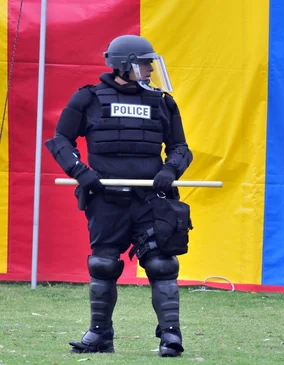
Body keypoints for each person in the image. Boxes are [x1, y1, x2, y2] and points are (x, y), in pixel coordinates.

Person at [45, 34, 193, 357]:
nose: (150, 70)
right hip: (106, 199)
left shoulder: (162, 102)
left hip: (150, 201)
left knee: (162, 265)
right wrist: (81, 173)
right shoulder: (88, 99)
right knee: (103, 265)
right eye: (144, 63)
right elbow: (60, 141)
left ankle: (171, 336)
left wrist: (170, 171)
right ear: (124, 66)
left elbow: (182, 149)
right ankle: (100, 336)